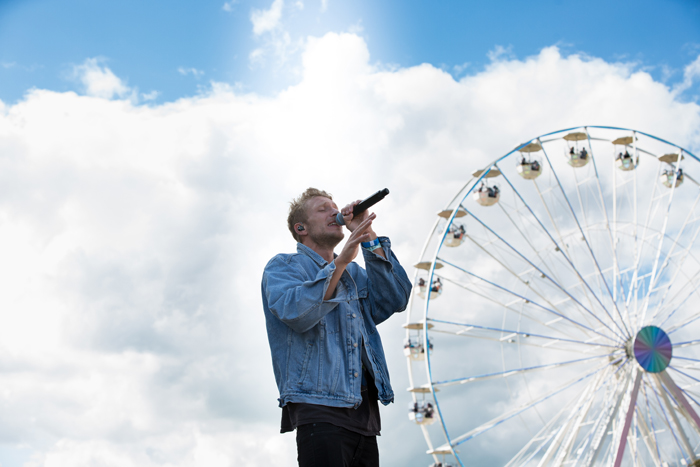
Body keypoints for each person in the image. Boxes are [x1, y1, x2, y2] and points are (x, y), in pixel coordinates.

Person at [261, 187, 412, 467]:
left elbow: (395, 298)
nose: (334, 211)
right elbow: (297, 312)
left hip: (364, 414)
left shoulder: (354, 275)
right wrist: (341, 261)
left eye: (334, 207)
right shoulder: (283, 267)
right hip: (319, 407)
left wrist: (367, 236)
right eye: (322, 209)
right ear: (301, 227)